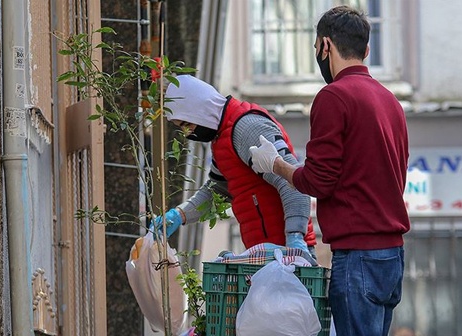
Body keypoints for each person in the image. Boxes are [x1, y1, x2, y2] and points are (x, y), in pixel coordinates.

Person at [249, 5, 410, 336]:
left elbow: (319, 180)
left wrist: (275, 164)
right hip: (391, 257)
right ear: (366, 50)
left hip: (358, 258)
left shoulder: (334, 97)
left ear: (325, 46)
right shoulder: (390, 101)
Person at [150, 74, 317, 260]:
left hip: (287, 254)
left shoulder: (247, 128)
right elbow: (218, 191)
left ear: (200, 110)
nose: (187, 133)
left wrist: (295, 238)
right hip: (269, 253)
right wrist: (179, 215)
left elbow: (292, 182)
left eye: (187, 124)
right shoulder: (222, 138)